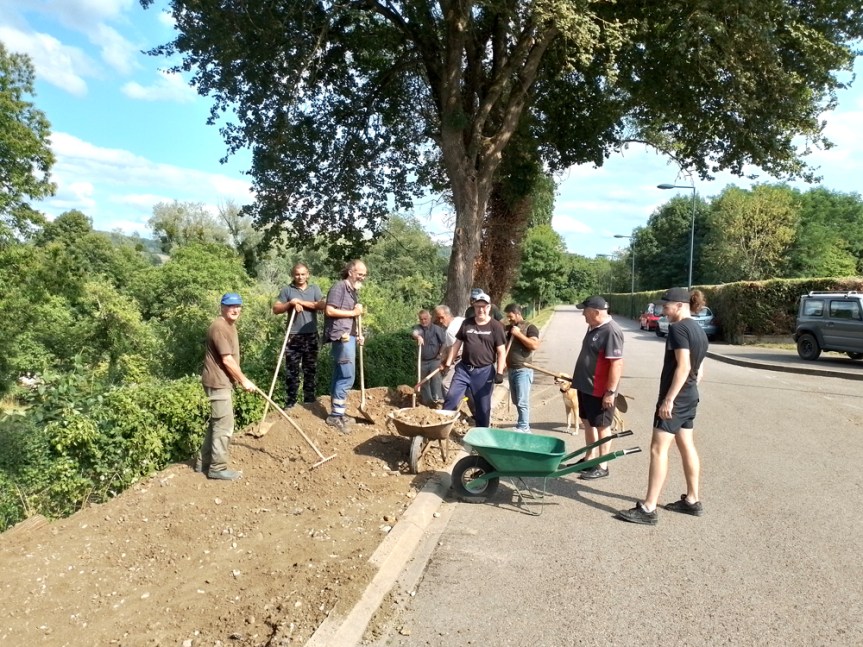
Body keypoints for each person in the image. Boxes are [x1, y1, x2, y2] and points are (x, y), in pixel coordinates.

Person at [617, 288, 709, 526]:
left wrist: (669, 399)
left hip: (676, 399)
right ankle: (692, 500)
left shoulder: (679, 329)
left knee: (658, 450)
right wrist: (687, 391)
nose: (663, 311)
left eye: (666, 306)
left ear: (679, 305)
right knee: (687, 445)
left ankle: (648, 508)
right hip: (690, 396)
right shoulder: (698, 329)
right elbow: (699, 370)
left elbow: (684, 366)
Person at [196, 292, 256, 481]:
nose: (235, 309)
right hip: (218, 382)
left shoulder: (229, 325)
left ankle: (203, 462)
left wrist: (238, 379)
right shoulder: (219, 327)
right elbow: (227, 360)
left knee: (217, 423)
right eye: (230, 306)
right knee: (225, 425)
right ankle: (217, 468)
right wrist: (243, 380)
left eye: (238, 306)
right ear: (222, 307)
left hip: (221, 381)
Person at [572, 295, 624, 480]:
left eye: (585, 311)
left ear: (595, 312)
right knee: (587, 422)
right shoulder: (593, 327)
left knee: (602, 426)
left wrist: (610, 392)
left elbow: (617, 363)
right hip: (585, 386)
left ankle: (603, 465)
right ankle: (590, 458)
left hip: (599, 390)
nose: (583, 315)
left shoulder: (611, 331)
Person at [441, 291, 507, 427]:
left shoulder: (496, 326)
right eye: (478, 306)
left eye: (484, 306)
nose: (481, 310)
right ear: (474, 307)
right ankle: (442, 429)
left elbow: (501, 351)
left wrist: (500, 372)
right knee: (451, 398)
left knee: (483, 407)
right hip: (464, 369)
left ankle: (481, 434)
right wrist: (448, 364)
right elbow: (456, 344)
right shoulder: (467, 323)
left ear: (489, 307)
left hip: (484, 372)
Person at [272, 263, 325, 407]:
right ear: (293, 275)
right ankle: (291, 403)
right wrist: (290, 303)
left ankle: (309, 401)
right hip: (293, 336)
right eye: (297, 274)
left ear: (308, 274)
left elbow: (322, 305)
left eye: (303, 274)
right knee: (292, 370)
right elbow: (276, 309)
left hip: (311, 335)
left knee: (310, 369)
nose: (300, 277)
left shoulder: (314, 289)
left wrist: (301, 302)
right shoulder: (287, 290)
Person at [322, 259, 367, 433]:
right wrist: (354, 312)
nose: (362, 277)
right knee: (347, 376)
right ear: (350, 272)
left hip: (349, 336)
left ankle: (337, 412)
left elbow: (351, 318)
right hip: (341, 337)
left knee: (339, 374)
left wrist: (358, 334)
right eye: (360, 274)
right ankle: (335, 416)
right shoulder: (339, 287)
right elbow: (329, 310)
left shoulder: (353, 291)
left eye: (364, 275)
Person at [503, 304, 540, 433]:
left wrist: (518, 334)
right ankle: (521, 424)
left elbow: (534, 345)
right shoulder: (509, 328)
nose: (509, 319)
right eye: (507, 317)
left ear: (517, 314)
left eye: (510, 316)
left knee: (522, 401)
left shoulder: (530, 327)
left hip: (523, 370)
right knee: (516, 400)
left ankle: (524, 427)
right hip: (511, 370)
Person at [411, 309, 447, 406]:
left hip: (435, 360)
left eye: (425, 319)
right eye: (421, 319)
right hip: (422, 361)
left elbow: (444, 343)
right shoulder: (418, 328)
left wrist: (440, 354)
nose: (423, 321)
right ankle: (428, 402)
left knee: (436, 379)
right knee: (423, 382)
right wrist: (418, 337)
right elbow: (414, 333)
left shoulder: (436, 329)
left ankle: (438, 399)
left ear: (430, 318)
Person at [432, 305, 465, 396]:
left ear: (448, 315)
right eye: (438, 318)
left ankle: (452, 404)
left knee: (445, 384)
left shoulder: (450, 331)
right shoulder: (460, 320)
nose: (440, 321)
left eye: (442, 317)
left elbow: (454, 351)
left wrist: (444, 364)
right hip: (469, 357)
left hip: (460, 359)